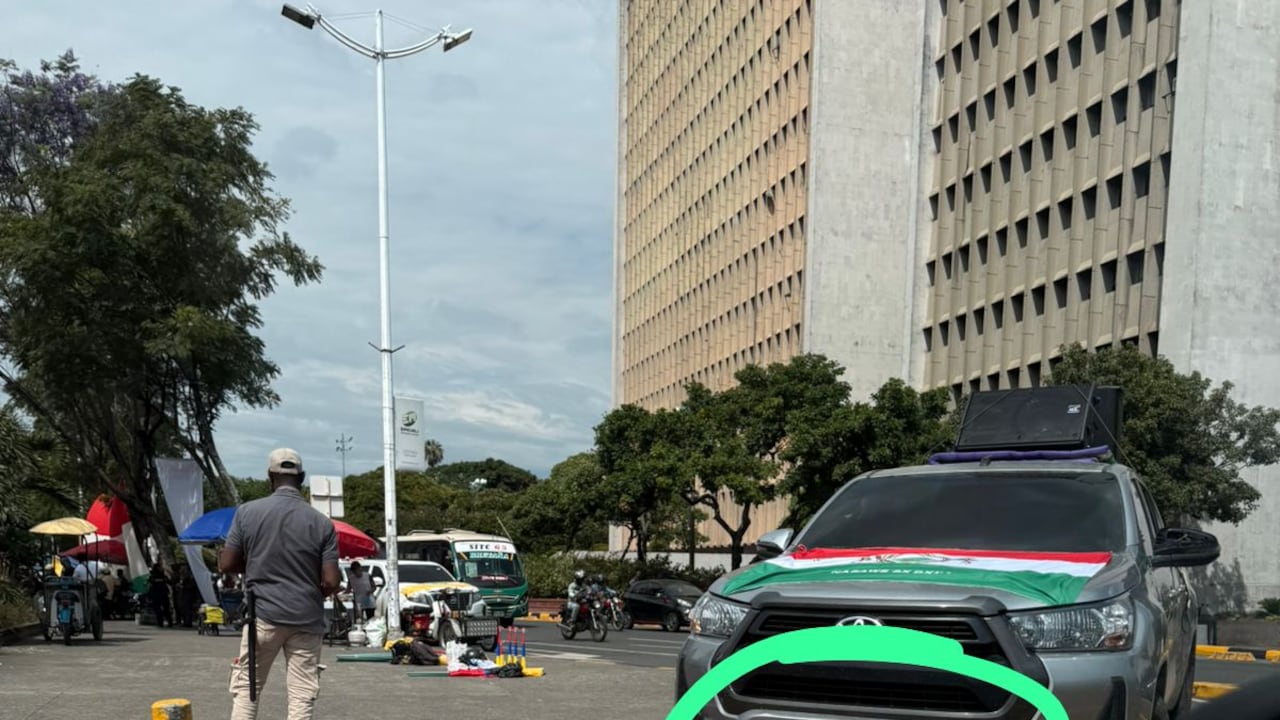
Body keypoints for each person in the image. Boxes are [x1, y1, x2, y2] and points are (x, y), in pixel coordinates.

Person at [219, 448, 340, 720]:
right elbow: (332, 580)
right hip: (307, 619)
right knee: (301, 696)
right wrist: (315, 589)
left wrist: (254, 565)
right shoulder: (322, 523)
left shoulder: (247, 513)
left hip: (262, 617)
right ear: (303, 478)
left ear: (270, 476)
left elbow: (226, 564)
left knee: (248, 688)